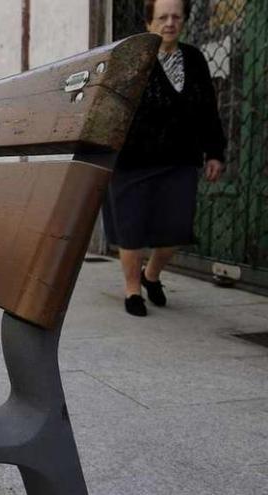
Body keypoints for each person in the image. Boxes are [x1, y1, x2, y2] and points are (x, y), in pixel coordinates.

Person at [103, 0, 226, 317]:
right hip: (132, 160)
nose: (170, 23)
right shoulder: (133, 56)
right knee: (131, 230)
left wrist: (214, 151)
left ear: (183, 20)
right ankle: (133, 290)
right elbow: (110, 105)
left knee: (174, 231)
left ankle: (151, 275)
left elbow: (207, 110)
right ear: (148, 22)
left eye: (176, 17)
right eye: (162, 17)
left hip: (179, 158)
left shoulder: (195, 59)